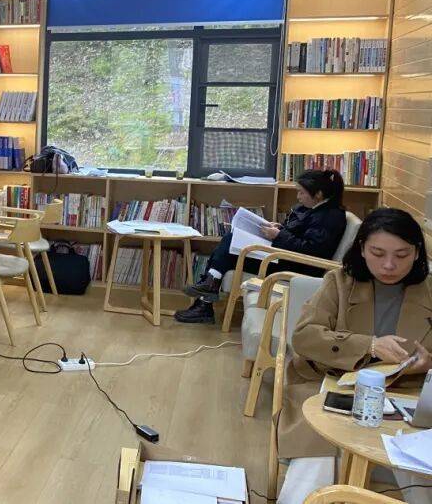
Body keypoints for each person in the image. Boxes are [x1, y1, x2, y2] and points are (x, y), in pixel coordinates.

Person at [276, 208, 432, 504]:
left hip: (407, 397)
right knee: (316, 460)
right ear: (362, 249)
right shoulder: (339, 282)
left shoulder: (429, 291)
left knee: (418, 468)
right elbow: (304, 337)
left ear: (416, 253)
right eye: (377, 253)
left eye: (401, 255)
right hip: (330, 389)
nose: (389, 265)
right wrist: (368, 345)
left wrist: (428, 365)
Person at [177, 169, 347, 324]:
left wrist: (279, 235)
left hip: (296, 266)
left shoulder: (330, 217)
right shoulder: (315, 209)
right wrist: (280, 229)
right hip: (283, 257)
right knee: (231, 240)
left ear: (318, 194)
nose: (298, 197)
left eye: (301, 192)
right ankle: (208, 292)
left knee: (230, 246)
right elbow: (301, 234)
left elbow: (312, 250)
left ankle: (207, 295)